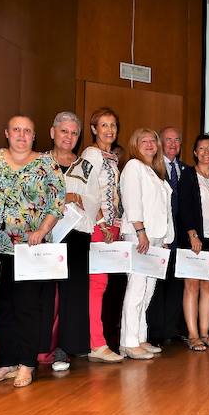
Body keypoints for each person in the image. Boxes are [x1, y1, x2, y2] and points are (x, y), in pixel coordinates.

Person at [0, 115, 65, 388]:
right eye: (16, 130)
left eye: (27, 131)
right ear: (6, 133)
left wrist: (41, 231)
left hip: (31, 249)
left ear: (34, 136)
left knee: (27, 308)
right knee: (2, 308)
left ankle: (27, 364)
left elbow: (57, 203)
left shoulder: (47, 163)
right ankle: (6, 362)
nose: (21, 135)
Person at [119, 128, 174, 360]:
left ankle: (140, 338)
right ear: (135, 144)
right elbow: (132, 202)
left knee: (148, 290)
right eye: (144, 141)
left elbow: (165, 210)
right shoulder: (133, 167)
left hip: (157, 238)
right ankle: (128, 341)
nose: (150, 144)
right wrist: (140, 231)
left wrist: (167, 239)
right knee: (137, 288)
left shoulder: (155, 172)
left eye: (153, 140)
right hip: (139, 235)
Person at [46, 111, 89, 371]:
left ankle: (68, 346)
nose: (69, 137)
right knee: (45, 293)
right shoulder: (38, 162)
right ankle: (41, 348)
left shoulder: (85, 166)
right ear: (53, 132)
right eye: (64, 131)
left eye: (74, 132)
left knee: (74, 293)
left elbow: (93, 201)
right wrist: (64, 198)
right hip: (45, 235)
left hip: (77, 234)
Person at [81, 107, 124, 363]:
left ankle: (99, 341)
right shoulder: (92, 154)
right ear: (94, 129)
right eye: (104, 125)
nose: (109, 130)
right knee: (96, 286)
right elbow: (86, 192)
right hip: (99, 227)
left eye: (113, 125)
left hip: (111, 227)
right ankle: (96, 343)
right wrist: (102, 223)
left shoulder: (110, 157)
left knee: (103, 285)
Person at [177, 133, 209, 350]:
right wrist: (192, 233)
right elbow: (183, 206)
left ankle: (205, 333)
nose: (206, 153)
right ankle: (193, 335)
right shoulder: (188, 175)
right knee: (192, 286)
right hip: (194, 239)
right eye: (201, 149)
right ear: (195, 153)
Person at [146, 126, 186, 346]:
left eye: (177, 140)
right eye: (168, 140)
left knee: (175, 283)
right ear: (160, 143)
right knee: (156, 283)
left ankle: (171, 329)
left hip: (180, 238)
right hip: (157, 235)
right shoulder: (150, 168)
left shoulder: (185, 169)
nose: (172, 144)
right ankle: (155, 332)